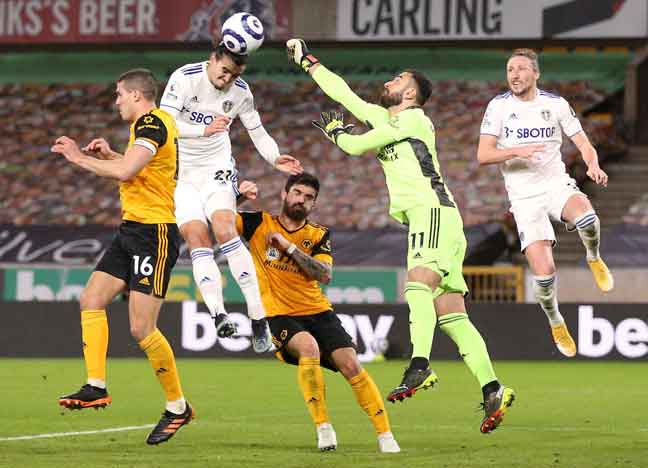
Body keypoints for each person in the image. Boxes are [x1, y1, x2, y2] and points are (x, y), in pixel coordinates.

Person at [286, 40, 514, 434]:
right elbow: (344, 93)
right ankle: (493, 388)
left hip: (432, 213)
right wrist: (308, 62)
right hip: (440, 220)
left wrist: (338, 134)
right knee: (453, 315)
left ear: (409, 93)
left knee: (416, 284)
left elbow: (356, 146)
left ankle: (420, 365)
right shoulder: (389, 120)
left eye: (398, 78)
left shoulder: (415, 120)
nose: (389, 81)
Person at [52, 69, 193, 445]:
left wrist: (77, 157)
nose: (115, 102)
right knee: (92, 299)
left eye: (118, 95)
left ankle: (178, 407)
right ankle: (96, 385)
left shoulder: (152, 120)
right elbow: (139, 174)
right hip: (131, 230)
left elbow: (128, 170)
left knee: (141, 329)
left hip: (154, 234)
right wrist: (112, 154)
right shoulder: (149, 127)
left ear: (135, 95)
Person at [235, 173, 400, 452]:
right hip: (277, 313)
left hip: (318, 311)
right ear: (284, 194)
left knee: (351, 365)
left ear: (314, 204)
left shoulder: (319, 234)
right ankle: (324, 427)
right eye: (297, 193)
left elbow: (324, 274)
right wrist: (238, 196)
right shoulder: (258, 223)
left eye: (308, 197)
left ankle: (385, 435)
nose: (301, 200)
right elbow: (217, 218)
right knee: (308, 348)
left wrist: (288, 248)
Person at [159, 41, 302, 352]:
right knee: (197, 238)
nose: (227, 80)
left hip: (216, 168)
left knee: (225, 228)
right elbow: (164, 124)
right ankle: (219, 314)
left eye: (234, 75)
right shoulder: (184, 78)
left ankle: (258, 317)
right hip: (181, 174)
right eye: (224, 72)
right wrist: (204, 130)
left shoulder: (241, 92)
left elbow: (257, 130)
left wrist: (275, 158)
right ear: (213, 59)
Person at [477, 48, 614, 358]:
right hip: (524, 198)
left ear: (535, 73)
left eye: (522, 68)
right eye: (510, 69)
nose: (514, 74)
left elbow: (583, 143)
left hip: (555, 184)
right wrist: (516, 151)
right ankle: (555, 320)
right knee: (544, 270)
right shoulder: (498, 108)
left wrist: (593, 165)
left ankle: (593, 256)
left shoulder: (555, 105)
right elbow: (483, 155)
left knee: (588, 218)